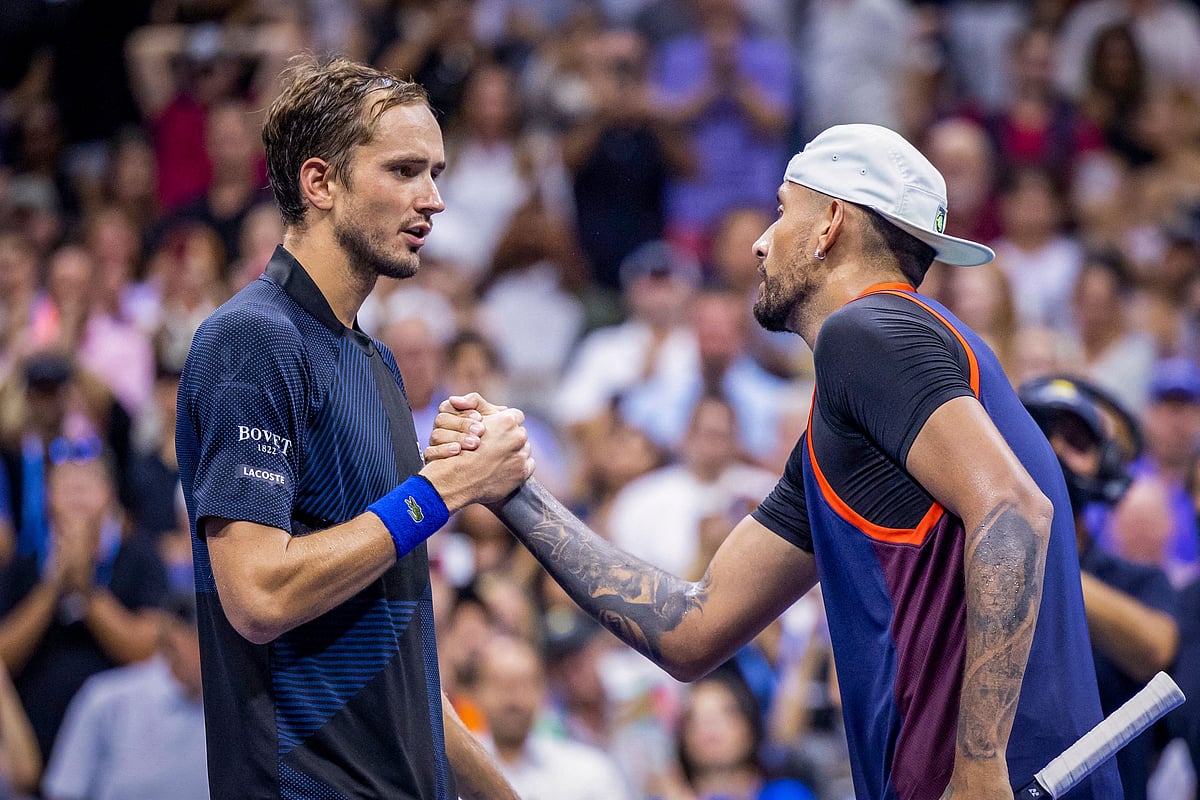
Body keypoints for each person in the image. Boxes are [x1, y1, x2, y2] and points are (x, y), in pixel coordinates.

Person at [431, 123, 1123, 798]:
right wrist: (513, 489)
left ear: (830, 225)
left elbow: (1013, 510)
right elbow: (691, 629)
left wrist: (978, 770)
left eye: (782, 210)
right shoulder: (878, 399)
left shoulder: (868, 330)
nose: (760, 242)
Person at [174, 56, 534, 799]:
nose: (433, 200)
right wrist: (442, 490)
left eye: (435, 172)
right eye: (404, 170)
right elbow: (259, 596)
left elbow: (394, 657)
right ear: (321, 183)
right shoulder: (252, 339)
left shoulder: (376, 365)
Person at [1019, 376, 1179, 800]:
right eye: (1035, 433)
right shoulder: (969, 573)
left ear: (1106, 465)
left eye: (1075, 440)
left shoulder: (1140, 581)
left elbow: (1155, 652)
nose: (1052, 451)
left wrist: (1038, 559)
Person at [41, 592, 208, 800]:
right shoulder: (107, 699)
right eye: (199, 639)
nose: (211, 652)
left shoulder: (234, 708)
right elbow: (65, 791)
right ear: (173, 636)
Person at [473, 635, 634, 800]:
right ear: (476, 692)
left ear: (542, 692)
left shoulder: (589, 772)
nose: (513, 700)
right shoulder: (456, 771)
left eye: (523, 685)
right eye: (500, 685)